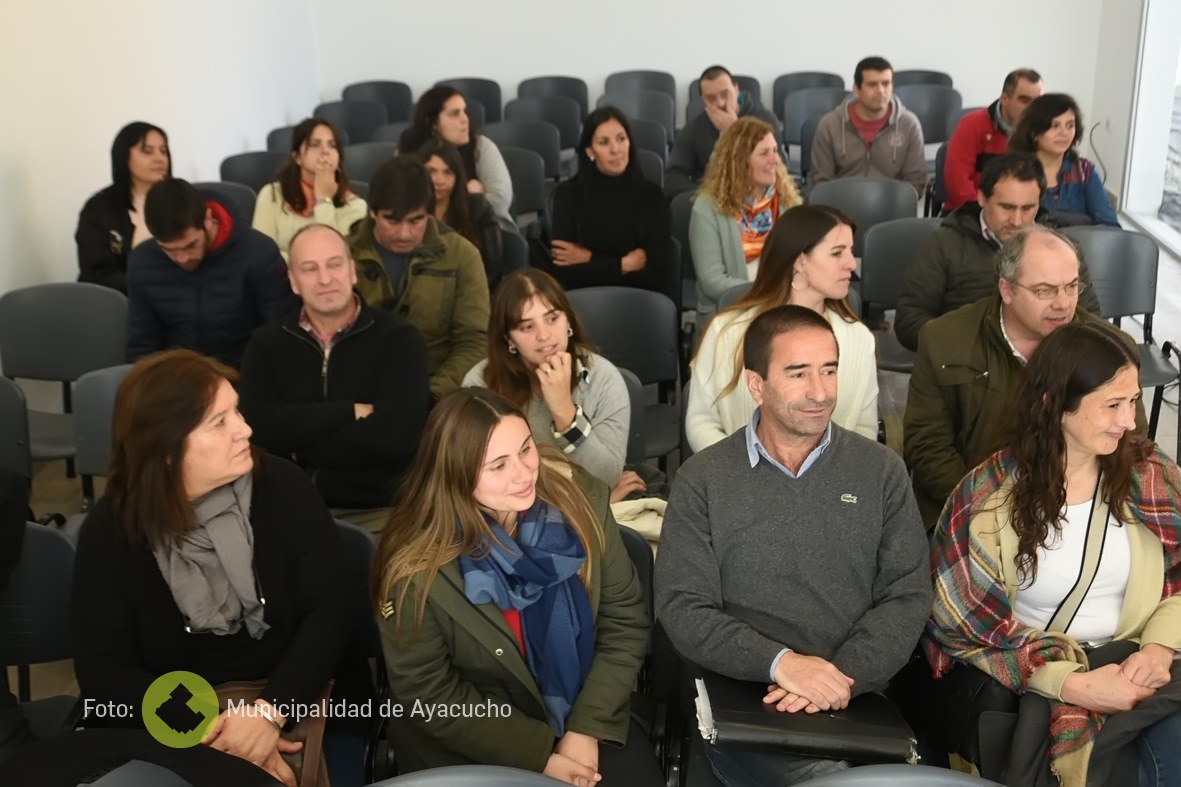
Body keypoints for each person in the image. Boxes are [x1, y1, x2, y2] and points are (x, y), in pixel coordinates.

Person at [656, 305, 931, 787]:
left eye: (829, 370)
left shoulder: (881, 471)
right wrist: (782, 664)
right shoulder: (703, 479)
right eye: (798, 373)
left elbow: (907, 595)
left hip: (856, 695)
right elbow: (683, 606)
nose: (820, 392)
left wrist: (837, 677)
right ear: (756, 384)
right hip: (748, 698)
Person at [71, 350, 372, 787]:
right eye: (219, 422)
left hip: (306, 696)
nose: (244, 429)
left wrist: (268, 714)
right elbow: (104, 670)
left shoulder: (282, 486)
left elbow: (330, 614)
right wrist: (216, 733)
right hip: (175, 720)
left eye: (237, 412)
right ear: (166, 448)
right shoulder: (113, 529)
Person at [925, 320, 1181, 787]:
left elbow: (1178, 582)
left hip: (1143, 666)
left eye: (1133, 401)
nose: (1129, 421)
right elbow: (960, 628)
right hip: (1036, 679)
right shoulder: (987, 497)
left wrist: (1159, 649)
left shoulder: (1150, 475)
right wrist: (1071, 683)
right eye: (1112, 405)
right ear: (1053, 404)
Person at [372, 388, 661, 785]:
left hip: (586, 714)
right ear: (456, 474)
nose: (525, 474)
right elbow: (431, 693)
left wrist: (586, 728)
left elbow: (624, 623)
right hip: (470, 742)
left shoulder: (582, 501)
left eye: (526, 449)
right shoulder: (414, 566)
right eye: (498, 466)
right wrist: (538, 754)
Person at [903, 225, 1145, 527]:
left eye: (1072, 286)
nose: (1063, 303)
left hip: (1078, 509)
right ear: (1007, 290)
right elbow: (927, 445)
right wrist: (988, 511)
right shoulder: (944, 340)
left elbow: (1131, 440)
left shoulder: (1112, 348)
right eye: (1045, 291)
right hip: (970, 509)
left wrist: (1074, 507)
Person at [239, 224, 430, 528]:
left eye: (334, 265)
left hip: (381, 510)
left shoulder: (400, 340)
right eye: (310, 269)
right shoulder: (265, 345)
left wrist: (296, 448)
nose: (325, 279)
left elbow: (396, 438)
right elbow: (258, 428)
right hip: (289, 508)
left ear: (352, 271)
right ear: (293, 281)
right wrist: (347, 411)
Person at [687, 204, 878, 450]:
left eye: (851, 252)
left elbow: (865, 429)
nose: (851, 264)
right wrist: (737, 469)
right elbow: (702, 421)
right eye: (837, 253)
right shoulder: (727, 331)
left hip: (834, 474)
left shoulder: (859, 338)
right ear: (800, 260)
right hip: (736, 473)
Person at [464, 268, 644, 503]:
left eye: (552, 319)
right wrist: (587, 502)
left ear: (568, 320)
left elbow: (606, 478)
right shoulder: (479, 384)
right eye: (527, 327)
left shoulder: (603, 378)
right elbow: (473, 480)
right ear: (509, 339)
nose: (544, 336)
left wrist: (564, 412)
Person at [895, 152, 1101, 351]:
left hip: (1046, 362)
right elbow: (909, 320)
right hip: (966, 360)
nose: (1017, 221)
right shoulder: (945, 244)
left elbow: (1091, 320)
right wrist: (966, 349)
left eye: (1028, 208)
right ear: (981, 197)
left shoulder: (1063, 250)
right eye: (1007, 207)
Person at [347, 156, 489, 400]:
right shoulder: (342, 256)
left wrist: (431, 395)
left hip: (437, 391)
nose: (404, 233)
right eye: (392, 220)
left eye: (416, 220)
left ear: (430, 215)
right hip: (358, 390)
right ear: (372, 212)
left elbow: (475, 341)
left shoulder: (463, 256)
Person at [126, 179, 294, 368]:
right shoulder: (144, 262)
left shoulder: (258, 253)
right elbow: (142, 346)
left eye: (190, 245)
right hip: (178, 375)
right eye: (169, 250)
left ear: (208, 219)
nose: (182, 258)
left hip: (244, 371)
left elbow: (280, 336)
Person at [690, 116, 802, 332]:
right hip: (728, 315)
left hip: (782, 310)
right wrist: (768, 294)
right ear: (740, 161)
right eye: (764, 153)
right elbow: (713, 282)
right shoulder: (706, 209)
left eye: (775, 150)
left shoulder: (789, 203)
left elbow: (803, 264)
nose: (775, 160)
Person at [547, 106, 673, 294]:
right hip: (584, 301)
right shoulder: (567, 196)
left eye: (621, 139)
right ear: (590, 151)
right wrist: (623, 264)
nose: (615, 149)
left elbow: (656, 276)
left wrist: (589, 258)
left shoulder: (653, 196)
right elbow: (565, 275)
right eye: (604, 142)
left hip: (642, 301)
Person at [810, 56, 928, 198]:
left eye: (886, 84)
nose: (880, 91)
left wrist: (894, 203)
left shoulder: (909, 125)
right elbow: (821, 181)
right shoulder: (830, 125)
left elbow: (915, 182)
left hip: (891, 204)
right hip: (842, 203)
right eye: (872, 85)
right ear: (857, 89)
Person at [251, 118, 368, 260]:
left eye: (332, 145)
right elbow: (261, 252)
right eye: (314, 145)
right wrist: (303, 267)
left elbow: (332, 256)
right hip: (280, 273)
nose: (325, 151)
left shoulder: (355, 206)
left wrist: (324, 201)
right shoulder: (272, 194)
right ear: (297, 157)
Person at [76, 122, 172, 292]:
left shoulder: (182, 199)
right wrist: (146, 287)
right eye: (147, 151)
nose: (160, 158)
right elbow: (96, 273)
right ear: (124, 156)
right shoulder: (99, 208)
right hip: (124, 299)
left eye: (163, 151)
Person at [398, 85, 514, 221]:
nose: (465, 119)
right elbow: (399, 200)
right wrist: (469, 196)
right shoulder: (409, 147)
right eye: (454, 114)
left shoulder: (481, 146)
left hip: (485, 228)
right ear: (432, 123)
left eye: (465, 112)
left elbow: (500, 202)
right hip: (423, 230)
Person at [666, 65, 780, 197]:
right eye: (711, 98)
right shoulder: (694, 129)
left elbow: (780, 169)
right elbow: (672, 178)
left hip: (759, 196)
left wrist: (734, 130)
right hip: (713, 199)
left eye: (725, 94)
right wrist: (704, 197)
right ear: (703, 100)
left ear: (736, 90)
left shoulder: (765, 120)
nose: (720, 103)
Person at [1008, 93, 1120, 227]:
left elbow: (1110, 225)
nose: (1064, 133)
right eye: (1055, 126)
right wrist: (1084, 221)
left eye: (1070, 125)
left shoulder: (1083, 171)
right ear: (1034, 132)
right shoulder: (1014, 171)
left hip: (1080, 241)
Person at [942, 68, 1044, 212]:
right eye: (1024, 100)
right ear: (1005, 99)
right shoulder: (971, 125)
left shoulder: (1043, 133)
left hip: (1020, 215)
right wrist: (992, 214)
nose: (1032, 108)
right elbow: (958, 186)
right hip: (969, 212)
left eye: (1037, 102)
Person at [415, 137, 505, 290]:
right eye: (432, 171)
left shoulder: (478, 207)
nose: (439, 180)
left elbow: (494, 269)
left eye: (448, 172)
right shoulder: (408, 210)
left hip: (473, 291)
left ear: (458, 176)